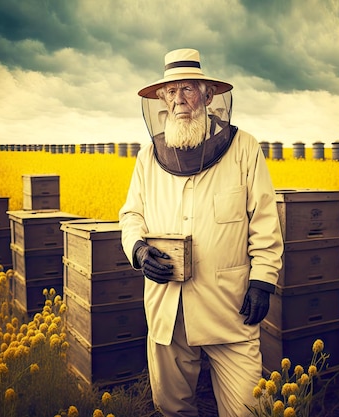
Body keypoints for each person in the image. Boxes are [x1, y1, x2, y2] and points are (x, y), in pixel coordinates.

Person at [119, 48, 283, 417]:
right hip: (167, 310)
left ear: (209, 96)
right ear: (161, 98)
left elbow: (265, 222)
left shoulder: (244, 149)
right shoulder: (147, 158)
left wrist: (263, 281)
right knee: (172, 408)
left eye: (189, 89)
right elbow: (131, 216)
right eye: (172, 90)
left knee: (248, 409)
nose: (180, 100)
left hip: (230, 307)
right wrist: (140, 251)